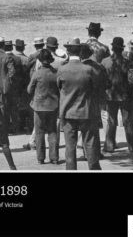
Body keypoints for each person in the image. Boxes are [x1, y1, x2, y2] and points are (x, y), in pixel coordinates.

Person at [56, 38, 102, 170]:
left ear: (68, 51)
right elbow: (96, 87)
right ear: (80, 51)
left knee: (70, 147)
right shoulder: (88, 69)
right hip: (86, 111)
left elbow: (59, 87)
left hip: (68, 112)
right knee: (90, 144)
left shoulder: (62, 69)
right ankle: (94, 169)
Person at [27, 50, 61, 164]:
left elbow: (29, 90)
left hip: (39, 106)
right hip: (53, 105)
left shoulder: (37, 73)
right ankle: (54, 158)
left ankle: (41, 158)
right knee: (52, 132)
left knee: (39, 132)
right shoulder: (56, 73)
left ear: (40, 60)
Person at [102, 37, 133, 153]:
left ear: (112, 48)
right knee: (128, 121)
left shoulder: (105, 62)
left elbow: (103, 80)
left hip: (110, 95)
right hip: (125, 95)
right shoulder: (127, 62)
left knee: (111, 121)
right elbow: (131, 80)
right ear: (122, 49)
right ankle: (132, 145)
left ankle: (109, 145)